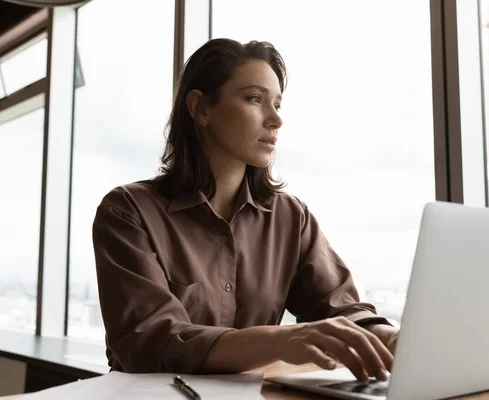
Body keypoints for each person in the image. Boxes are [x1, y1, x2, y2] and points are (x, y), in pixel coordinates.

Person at [92, 38, 399, 383]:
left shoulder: (291, 218)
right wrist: (280, 340)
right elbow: (151, 341)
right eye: (255, 99)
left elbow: (341, 308)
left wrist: (391, 338)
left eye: (278, 104)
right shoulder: (127, 211)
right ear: (201, 108)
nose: (275, 120)